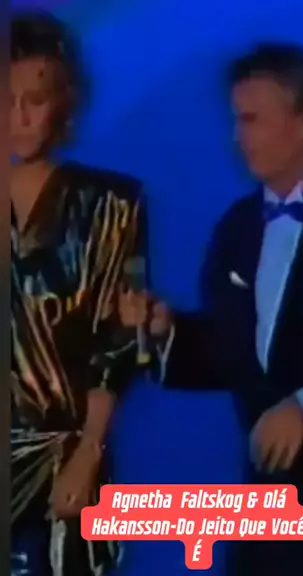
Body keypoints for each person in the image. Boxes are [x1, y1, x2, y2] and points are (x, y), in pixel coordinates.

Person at [120, 43, 303, 575]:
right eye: (235, 120)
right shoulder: (237, 229)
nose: (237, 137)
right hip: (268, 520)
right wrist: (168, 333)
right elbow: (233, 355)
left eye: (251, 120)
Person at [11, 11, 146, 576]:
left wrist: (90, 450)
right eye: (5, 100)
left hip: (62, 464)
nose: (18, 116)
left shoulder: (109, 207)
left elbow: (118, 340)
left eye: (35, 100)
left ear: (65, 102)